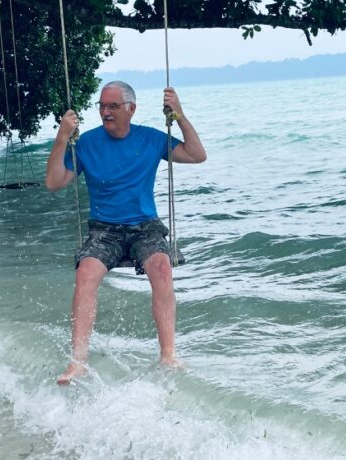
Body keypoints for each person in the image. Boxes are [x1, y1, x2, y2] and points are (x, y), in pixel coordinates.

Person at [45, 81, 206, 385]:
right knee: (85, 273)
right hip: (104, 230)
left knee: (162, 267)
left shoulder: (150, 138)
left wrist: (180, 116)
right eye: (102, 106)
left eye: (113, 106)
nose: (105, 112)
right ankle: (78, 361)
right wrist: (62, 137)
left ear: (131, 109)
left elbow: (197, 155)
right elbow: (54, 182)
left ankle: (168, 354)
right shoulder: (87, 143)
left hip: (145, 226)